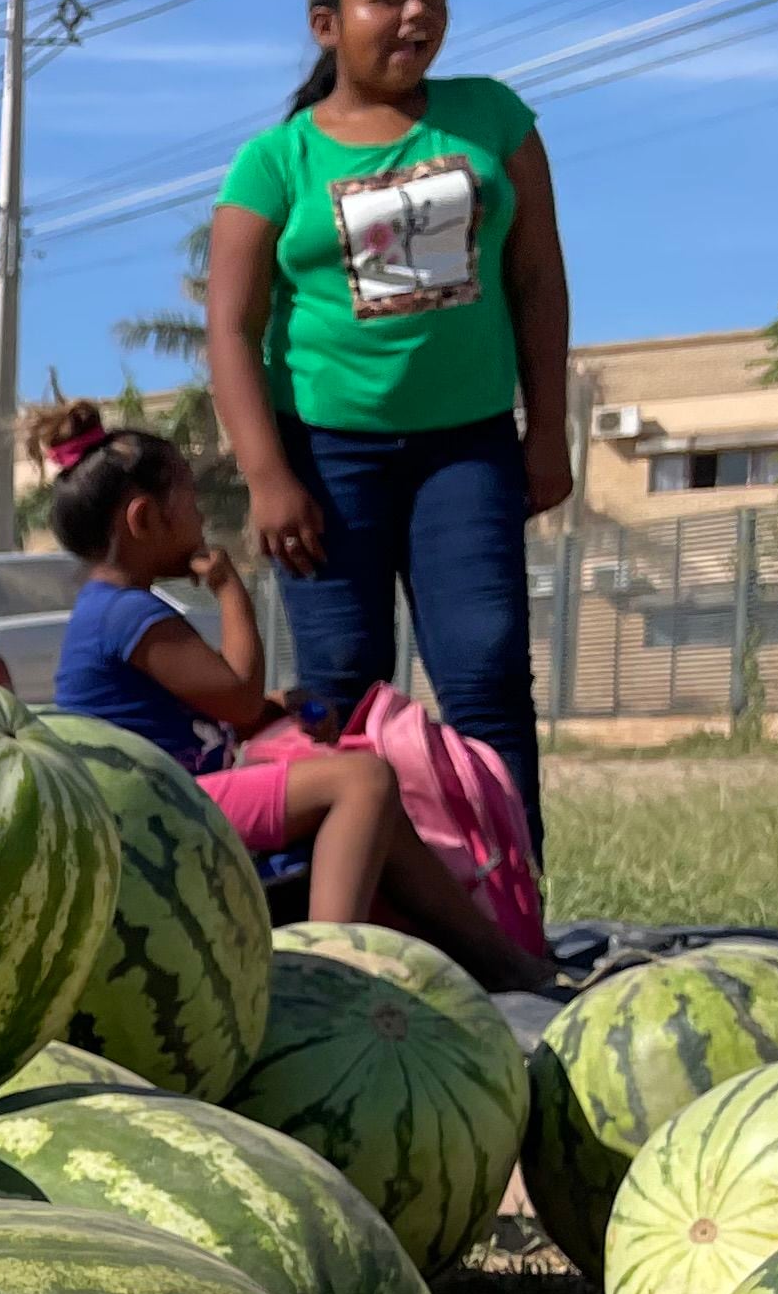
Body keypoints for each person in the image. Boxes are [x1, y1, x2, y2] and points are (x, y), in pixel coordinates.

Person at [205, 0, 570, 862]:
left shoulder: (493, 118)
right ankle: (354, 914)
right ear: (327, 24)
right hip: (326, 460)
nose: (418, 16)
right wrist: (267, 474)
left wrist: (548, 432)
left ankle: (506, 897)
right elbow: (232, 330)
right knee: (341, 686)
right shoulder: (276, 161)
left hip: (469, 449)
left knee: (486, 673)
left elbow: (539, 284)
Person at [33, 395, 552, 992]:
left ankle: (497, 957)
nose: (202, 520)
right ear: (144, 520)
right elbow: (238, 697)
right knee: (363, 782)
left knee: (371, 800)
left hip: (172, 800)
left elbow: (221, 712)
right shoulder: (125, 615)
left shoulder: (115, 611)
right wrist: (231, 592)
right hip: (157, 815)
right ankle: (327, 976)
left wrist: (285, 706)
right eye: (190, 503)